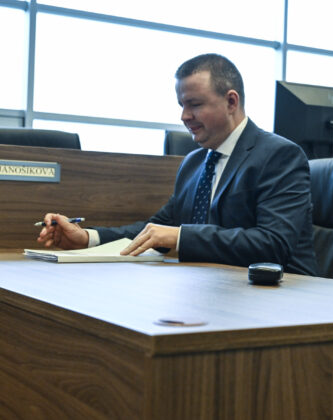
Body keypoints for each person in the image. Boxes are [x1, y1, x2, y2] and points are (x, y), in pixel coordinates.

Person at [37, 53, 318, 276]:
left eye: (194, 104)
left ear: (231, 101)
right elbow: (157, 229)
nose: (184, 116)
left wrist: (181, 237)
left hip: (281, 296)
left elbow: (273, 244)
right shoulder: (194, 163)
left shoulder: (280, 156)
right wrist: (88, 238)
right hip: (213, 288)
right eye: (181, 105)